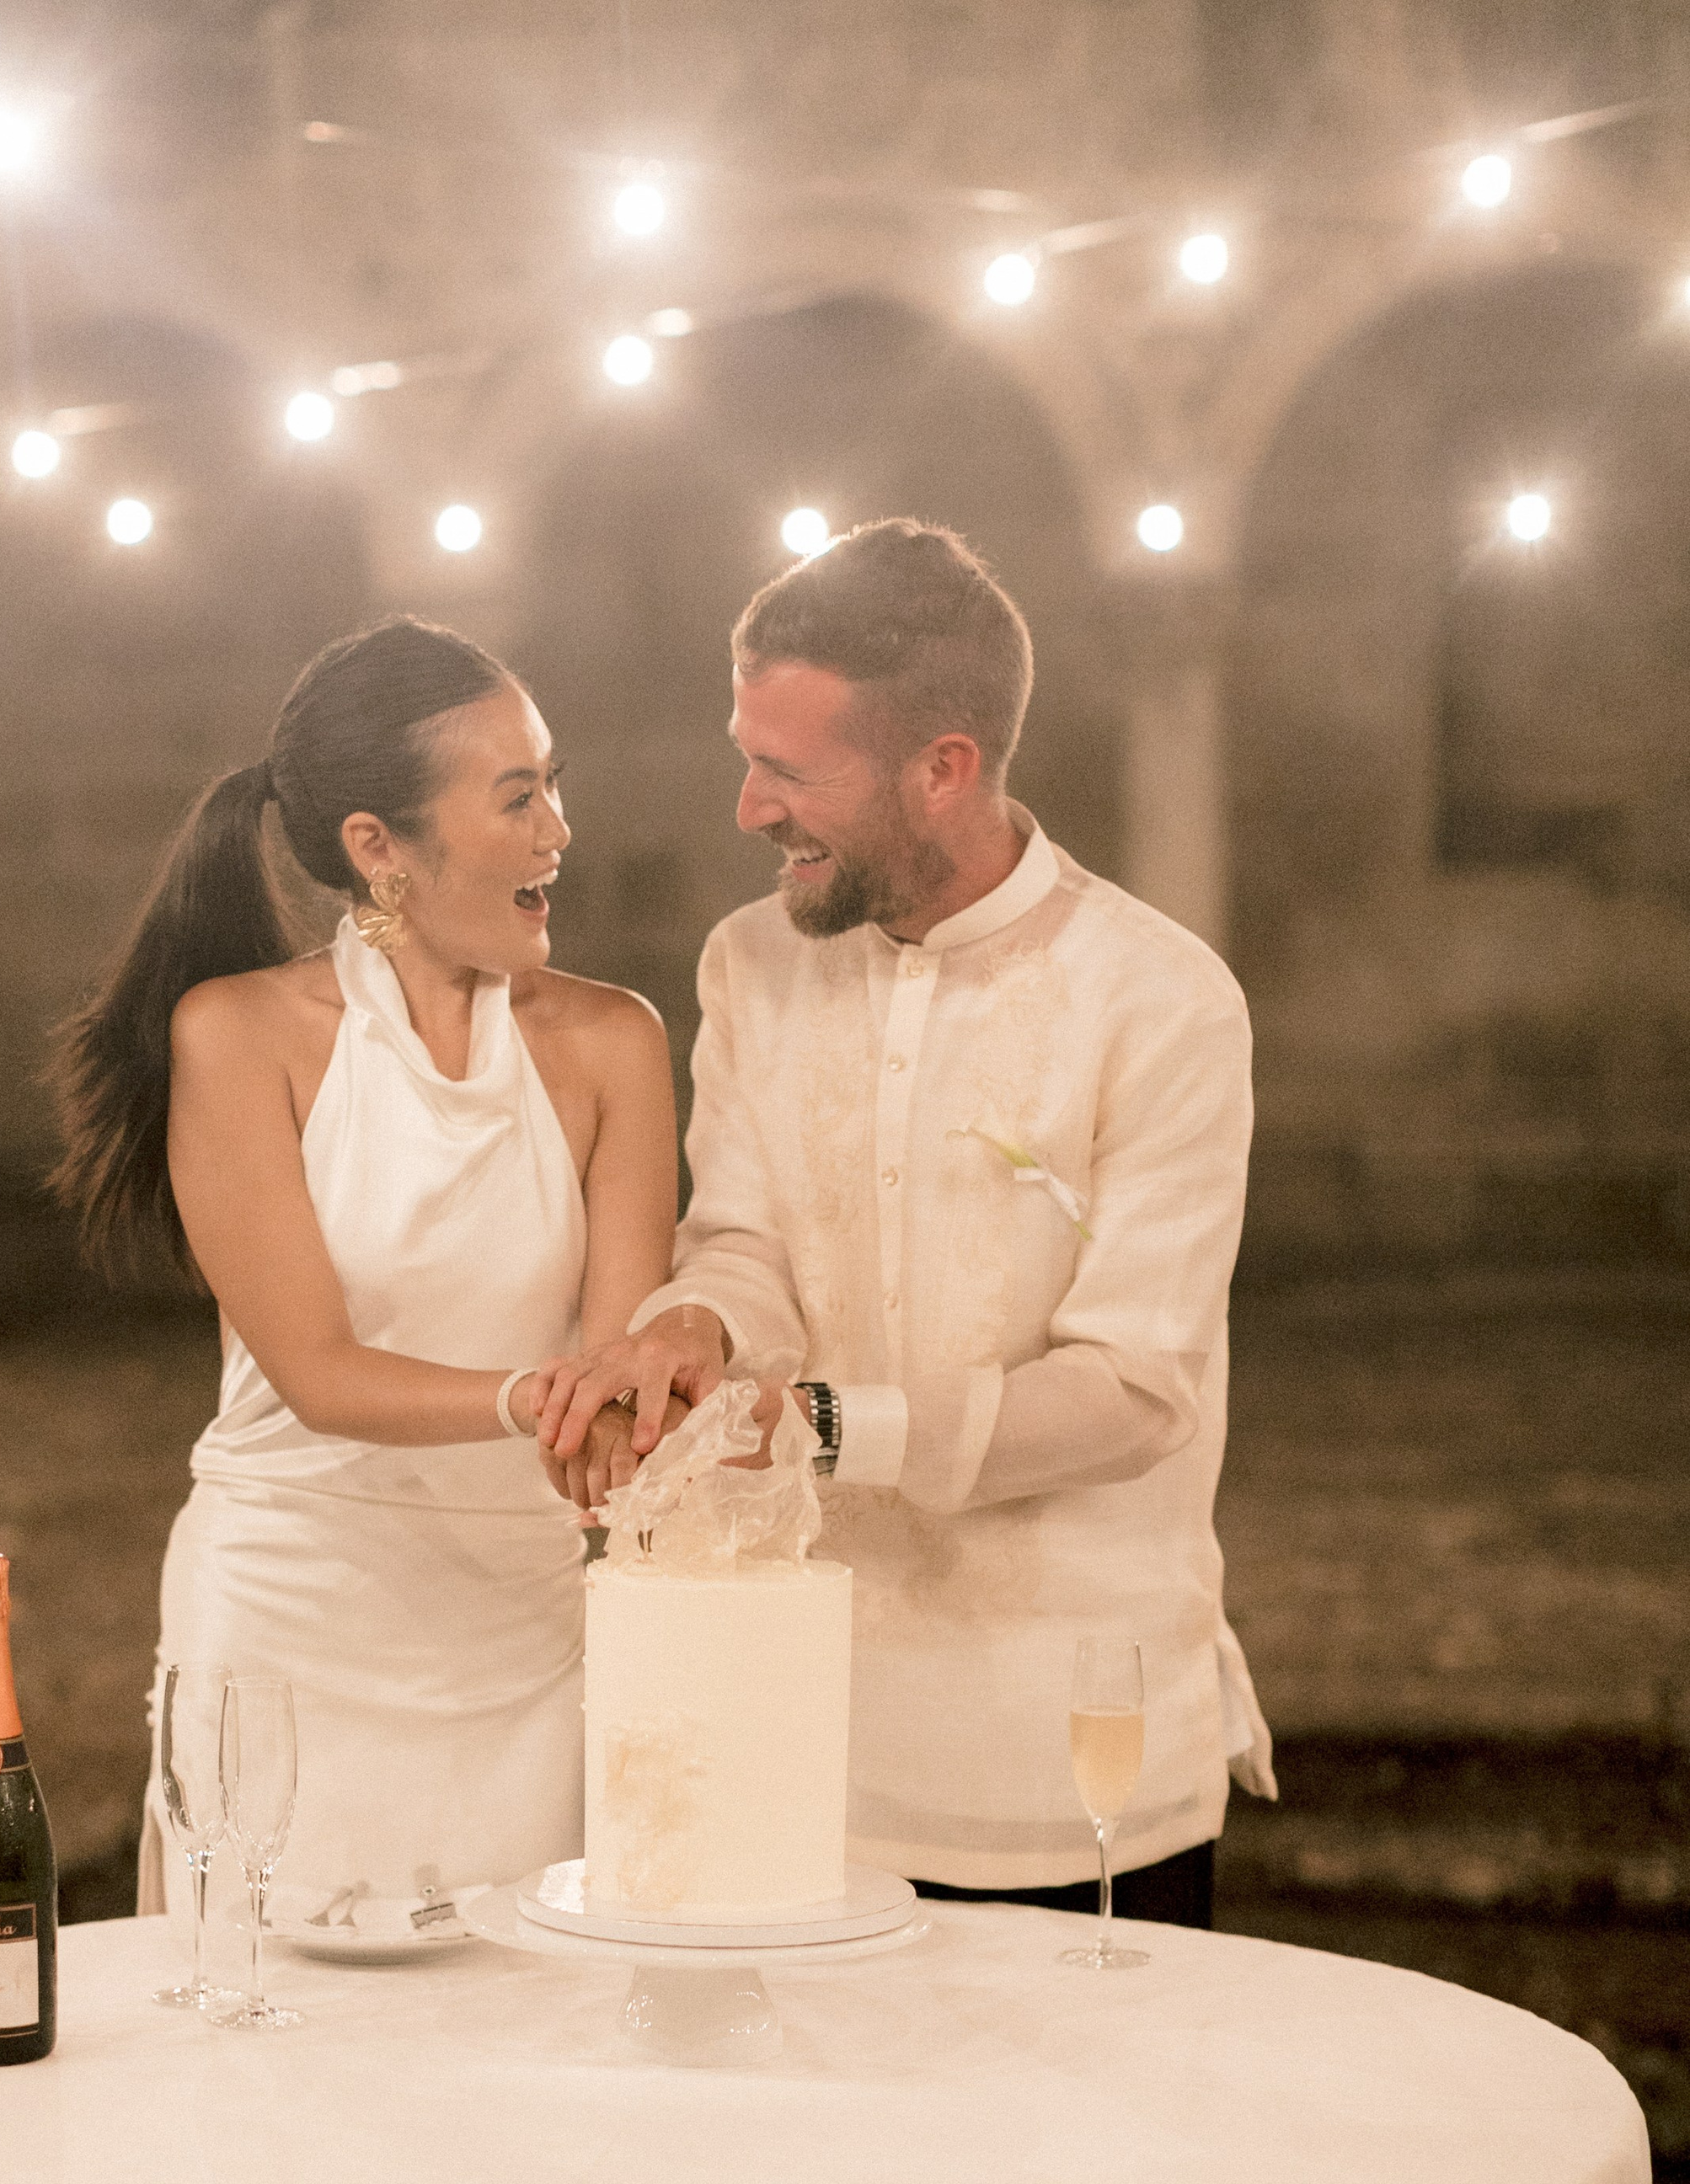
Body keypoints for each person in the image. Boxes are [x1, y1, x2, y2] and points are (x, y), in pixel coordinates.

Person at [534, 520, 1275, 1920]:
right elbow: (745, 1236)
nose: (749, 807)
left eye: (790, 772)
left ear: (944, 770)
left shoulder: (1163, 1001)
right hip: (809, 1728)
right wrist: (695, 1324)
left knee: (1080, 2140)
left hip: (1073, 1755)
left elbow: (1135, 1391)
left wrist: (817, 1428)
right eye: (746, 754)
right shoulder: (752, 962)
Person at [53, 616, 677, 1911]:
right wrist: (529, 1399)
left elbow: (615, 1378)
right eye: (519, 797)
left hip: (524, 1640)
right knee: (264, 2059)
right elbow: (322, 1375)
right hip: (289, 1627)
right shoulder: (238, 1037)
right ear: (377, 848)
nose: (559, 828)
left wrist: (624, 1412)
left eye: (555, 783)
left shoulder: (619, 1042)